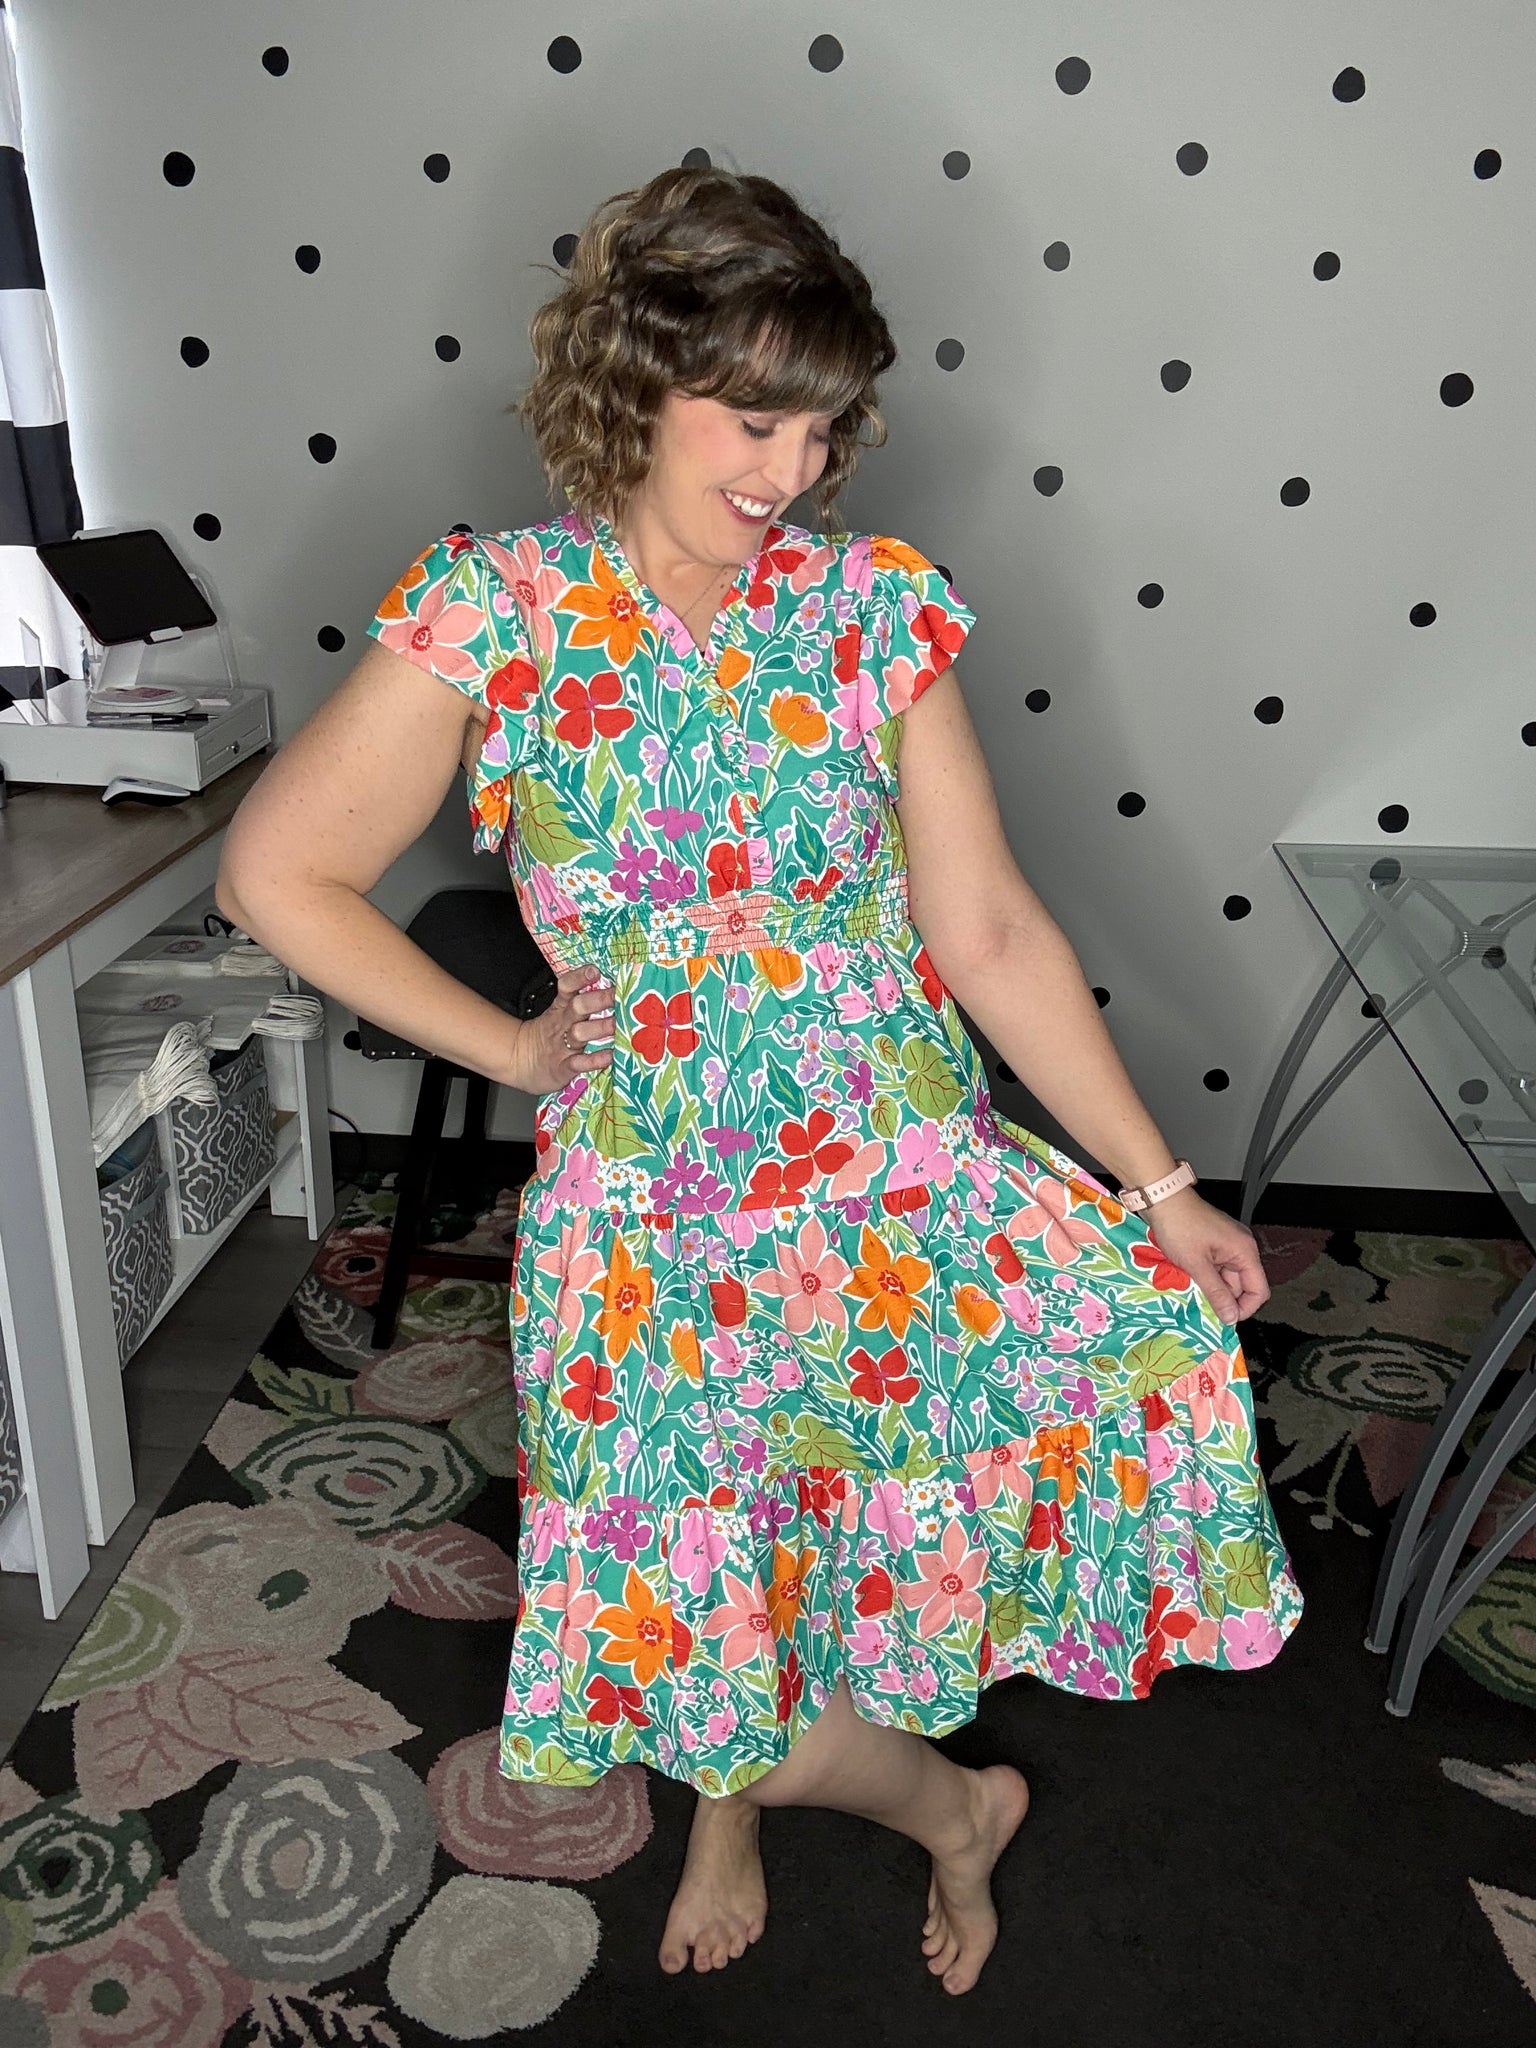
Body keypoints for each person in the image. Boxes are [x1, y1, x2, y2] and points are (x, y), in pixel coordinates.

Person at [216, 164, 1303, 1998]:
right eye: (750, 419)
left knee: (831, 1542)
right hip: (651, 1224)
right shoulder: (501, 609)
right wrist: (514, 1047)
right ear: (634, 385)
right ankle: (953, 1809)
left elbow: (988, 931)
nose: (789, 470)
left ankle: (766, 1795)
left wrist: (1162, 1185)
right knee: (694, 1645)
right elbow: (277, 876)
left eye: (820, 427)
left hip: (887, 1188)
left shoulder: (878, 607)